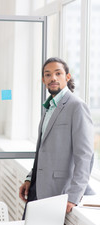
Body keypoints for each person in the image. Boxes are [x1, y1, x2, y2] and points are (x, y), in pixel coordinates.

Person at [19, 57, 94, 216]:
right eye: (47, 74)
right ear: (43, 80)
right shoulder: (49, 107)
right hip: (36, 188)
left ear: (67, 77)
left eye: (58, 73)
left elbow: (85, 156)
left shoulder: (77, 106)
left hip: (58, 193)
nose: (52, 78)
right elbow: (43, 150)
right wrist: (29, 179)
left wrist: (74, 196)